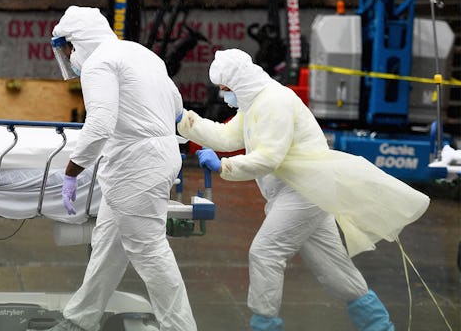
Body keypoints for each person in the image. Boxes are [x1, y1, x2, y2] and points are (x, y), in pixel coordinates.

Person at [177, 49, 430, 331]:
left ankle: (264, 324)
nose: (225, 96)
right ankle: (378, 326)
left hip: (302, 193)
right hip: (304, 192)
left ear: (240, 82)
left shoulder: (275, 101)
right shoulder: (253, 103)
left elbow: (269, 157)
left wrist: (224, 167)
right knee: (333, 267)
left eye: (226, 89)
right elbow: (226, 136)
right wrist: (186, 123)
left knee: (265, 252)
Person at [47, 6, 197, 331]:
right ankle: (80, 319)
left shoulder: (99, 64)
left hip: (136, 167)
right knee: (108, 246)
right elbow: (176, 106)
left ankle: (180, 327)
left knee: (149, 250)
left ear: (78, 40)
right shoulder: (139, 53)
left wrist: (72, 171)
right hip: (156, 156)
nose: (69, 56)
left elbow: (100, 123)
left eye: (68, 47)